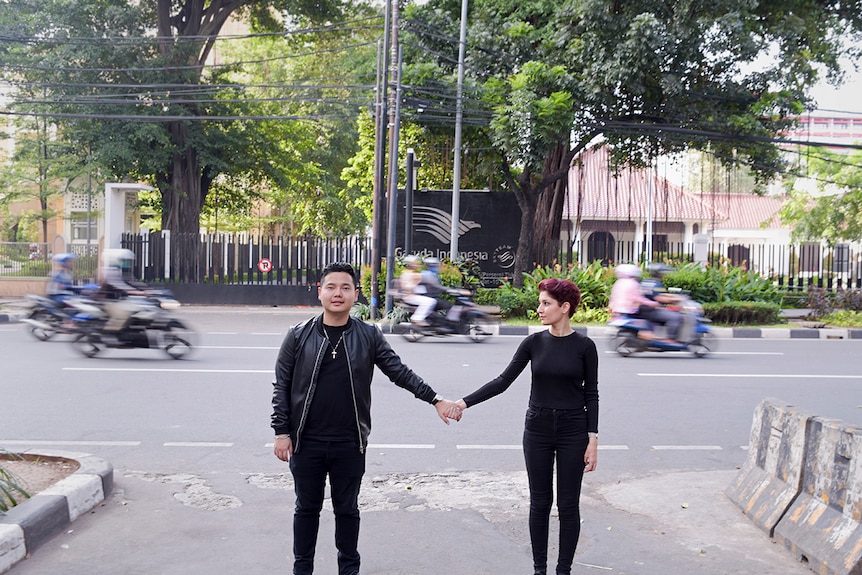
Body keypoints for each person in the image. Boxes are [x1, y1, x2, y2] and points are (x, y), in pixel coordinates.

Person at [271, 261, 462, 575]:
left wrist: (435, 399)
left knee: (347, 510)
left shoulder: (368, 335)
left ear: (355, 295)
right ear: (319, 292)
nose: (338, 293)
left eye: (346, 288)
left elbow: (398, 372)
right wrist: (281, 432)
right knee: (306, 509)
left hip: (350, 441)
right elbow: (282, 386)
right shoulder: (298, 335)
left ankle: (349, 569)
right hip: (307, 441)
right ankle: (302, 569)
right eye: (331, 287)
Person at [448, 278, 598, 575]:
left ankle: (563, 571)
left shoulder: (585, 346)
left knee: (568, 505)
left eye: (546, 303)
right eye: (540, 302)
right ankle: (539, 569)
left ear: (565, 307)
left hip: (573, 430)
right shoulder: (533, 342)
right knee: (540, 502)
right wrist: (463, 403)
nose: (539, 308)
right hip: (538, 428)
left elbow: (591, 393)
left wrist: (592, 439)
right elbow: (503, 382)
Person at [97, 249, 147, 333]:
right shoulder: (110, 271)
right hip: (106, 300)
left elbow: (132, 282)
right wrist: (136, 292)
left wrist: (148, 289)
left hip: (118, 301)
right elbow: (119, 285)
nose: (128, 263)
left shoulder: (122, 271)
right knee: (122, 315)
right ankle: (109, 334)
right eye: (125, 260)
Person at [608, 263, 658, 339]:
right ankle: (650, 334)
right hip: (629, 310)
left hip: (617, 311)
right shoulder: (633, 283)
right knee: (649, 313)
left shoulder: (618, 283)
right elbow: (639, 298)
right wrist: (652, 304)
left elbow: (612, 298)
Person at [639, 263, 683, 341]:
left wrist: (673, 296)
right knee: (676, 317)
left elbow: (660, 294)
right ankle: (670, 339)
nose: (664, 275)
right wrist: (675, 300)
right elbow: (659, 298)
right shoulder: (656, 284)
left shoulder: (646, 281)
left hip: (644, 309)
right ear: (659, 273)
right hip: (651, 310)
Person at [398, 255, 435, 326]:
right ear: (411, 264)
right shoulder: (407, 273)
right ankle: (417, 318)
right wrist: (415, 285)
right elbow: (407, 286)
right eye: (415, 263)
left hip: (415, 295)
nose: (417, 265)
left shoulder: (415, 273)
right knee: (430, 302)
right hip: (410, 297)